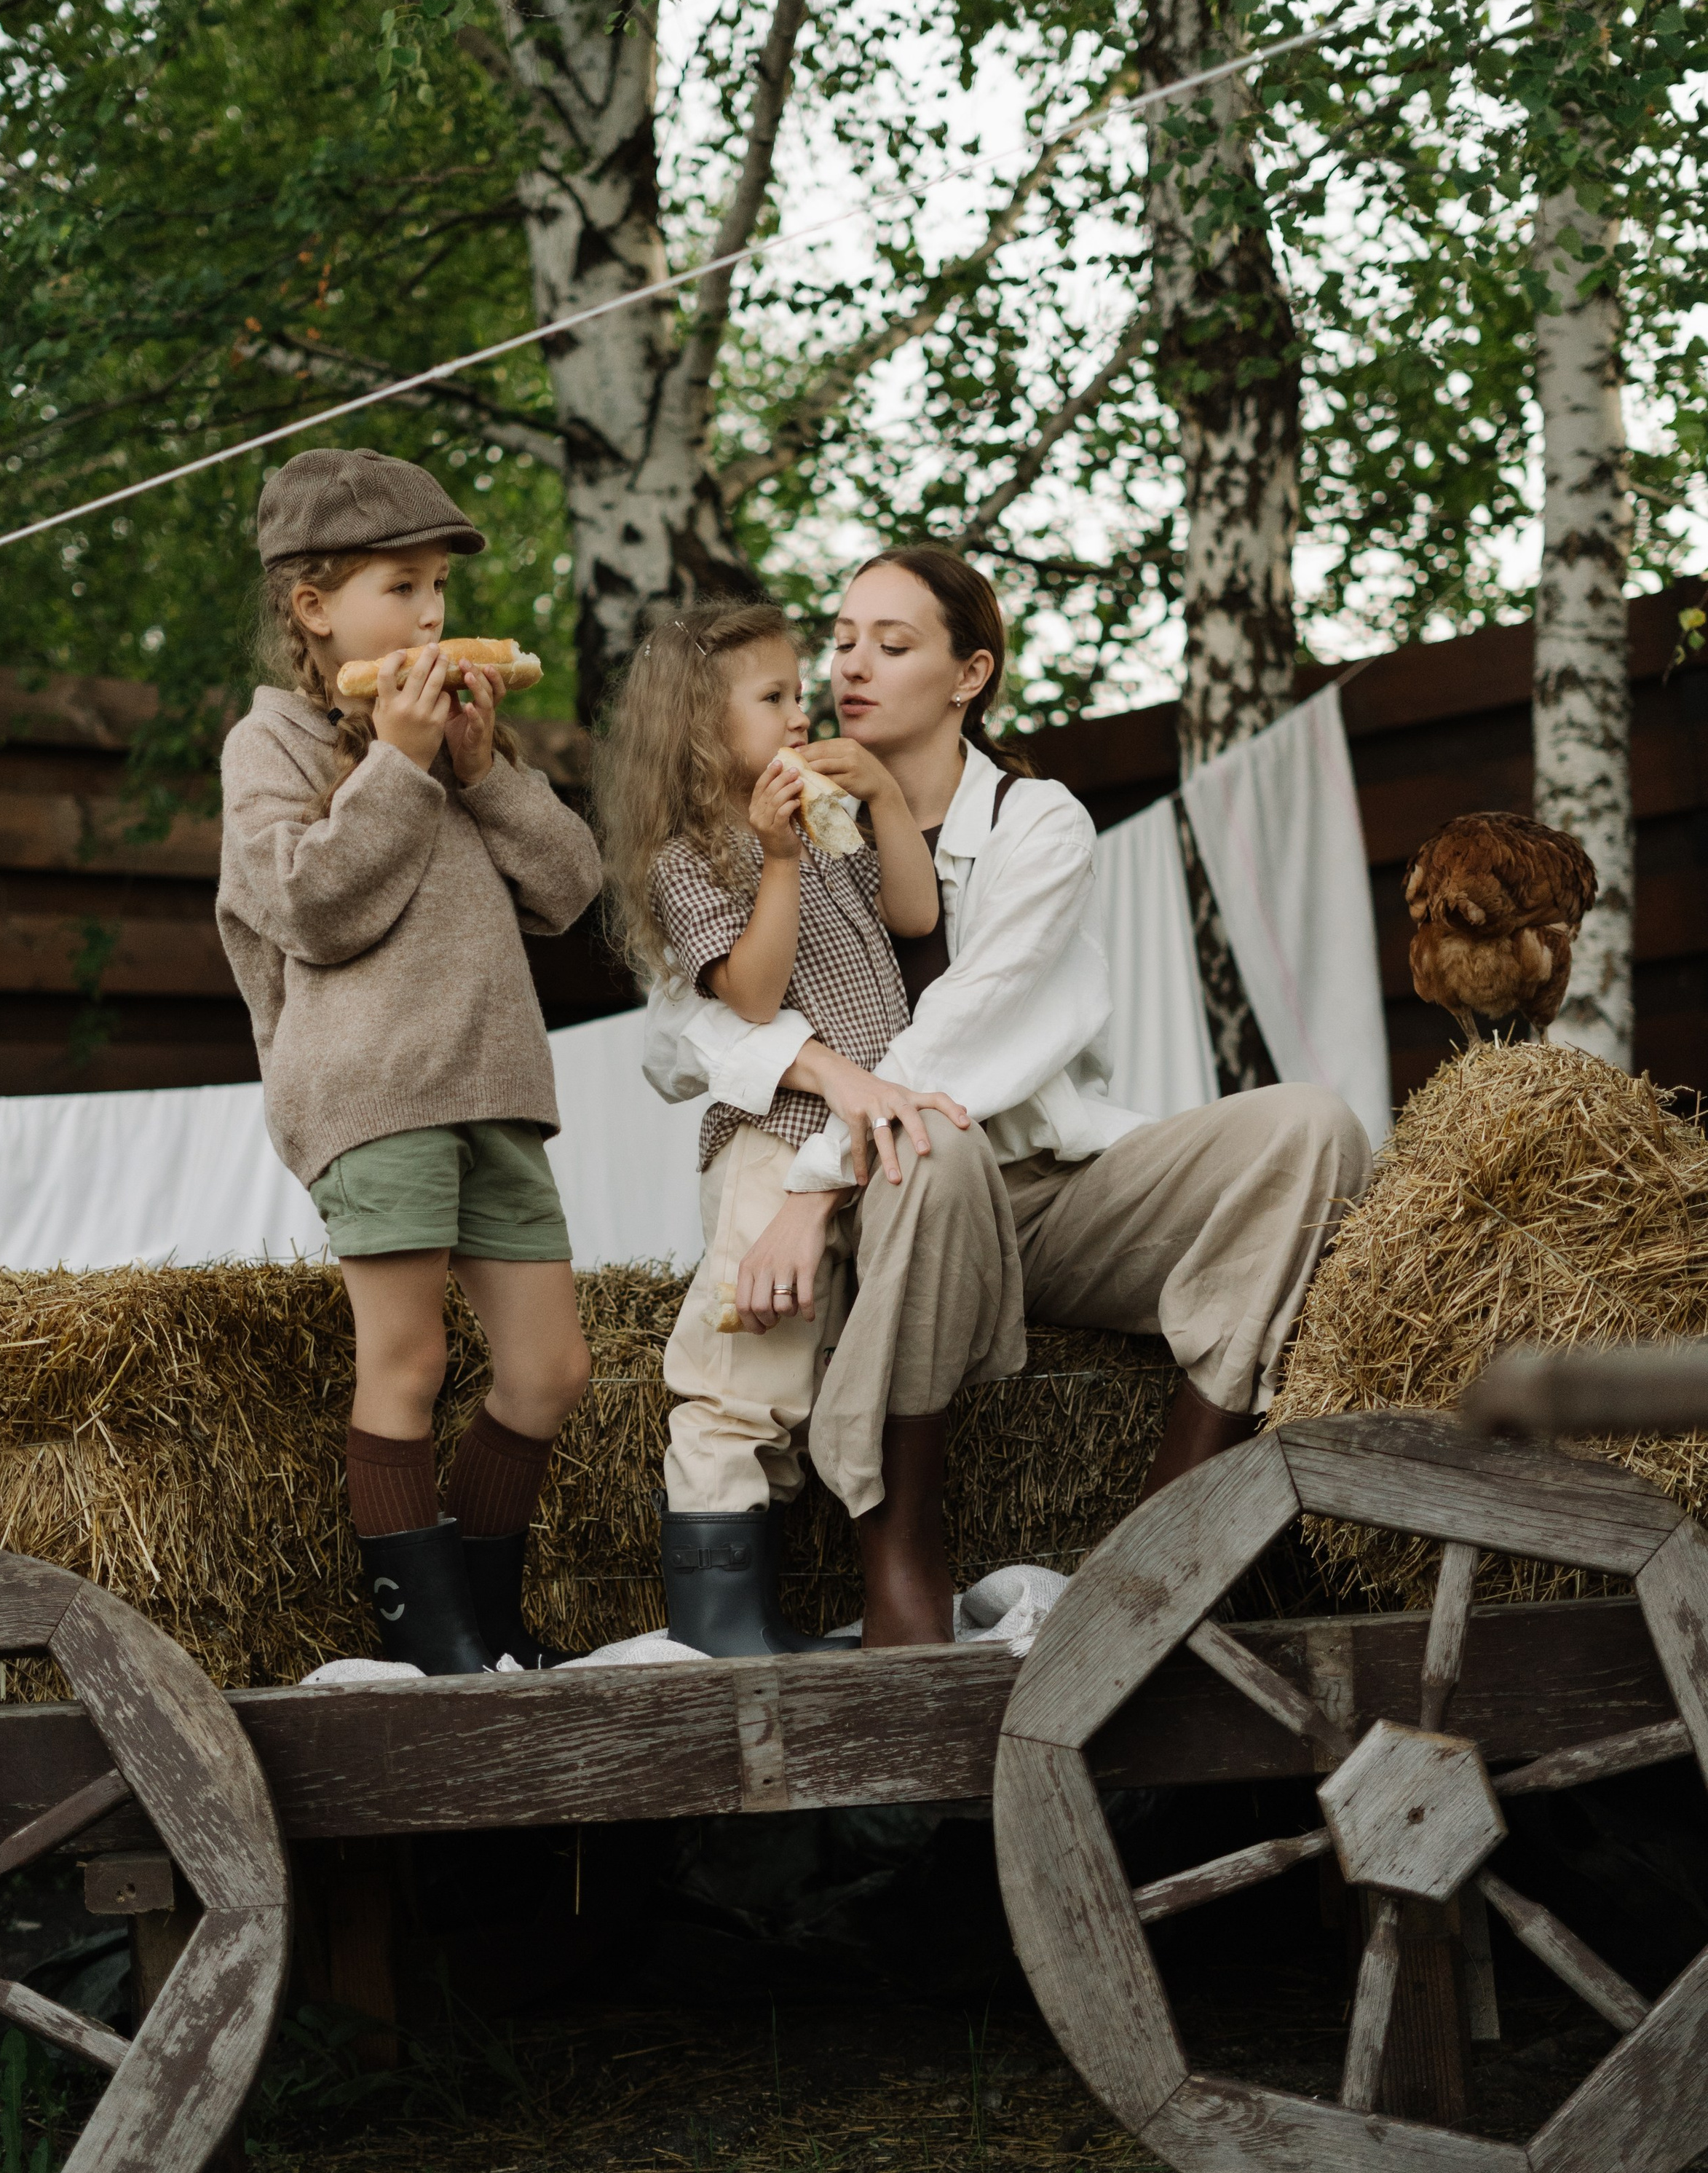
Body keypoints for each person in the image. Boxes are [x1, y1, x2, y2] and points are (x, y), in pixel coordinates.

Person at [647, 544, 1374, 1644]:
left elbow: (969, 1032)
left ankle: (1172, 1528)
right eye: (841, 643)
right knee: (928, 1150)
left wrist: (809, 1179)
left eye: (893, 647)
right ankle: (900, 1543)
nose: (852, 668)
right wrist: (818, 1134)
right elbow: (683, 1025)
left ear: (970, 676)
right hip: (889, 1210)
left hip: (1039, 1199)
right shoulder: (778, 827)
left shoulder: (1039, 825)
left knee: (1312, 1127)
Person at [217, 447, 602, 1676]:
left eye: (438, 585)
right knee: (411, 1360)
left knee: (549, 1371)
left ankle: (488, 1623)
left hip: (496, 1084)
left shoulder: (462, 734)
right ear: (314, 605)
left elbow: (569, 889)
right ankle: (435, 1646)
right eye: (401, 584)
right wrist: (397, 762)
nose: (433, 613)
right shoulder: (267, 742)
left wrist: (483, 772)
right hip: (373, 1090)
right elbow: (313, 908)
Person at [596, 602, 972, 1653]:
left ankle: (758, 1608)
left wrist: (886, 799)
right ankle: (718, 1625)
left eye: (800, 692)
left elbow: (914, 918)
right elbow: (753, 999)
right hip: (773, 1138)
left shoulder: (821, 817)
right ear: (705, 733)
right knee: (742, 1369)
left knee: (810, 1367)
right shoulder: (694, 859)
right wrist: (776, 859)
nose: (803, 711)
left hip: (849, 1143)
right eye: (776, 698)